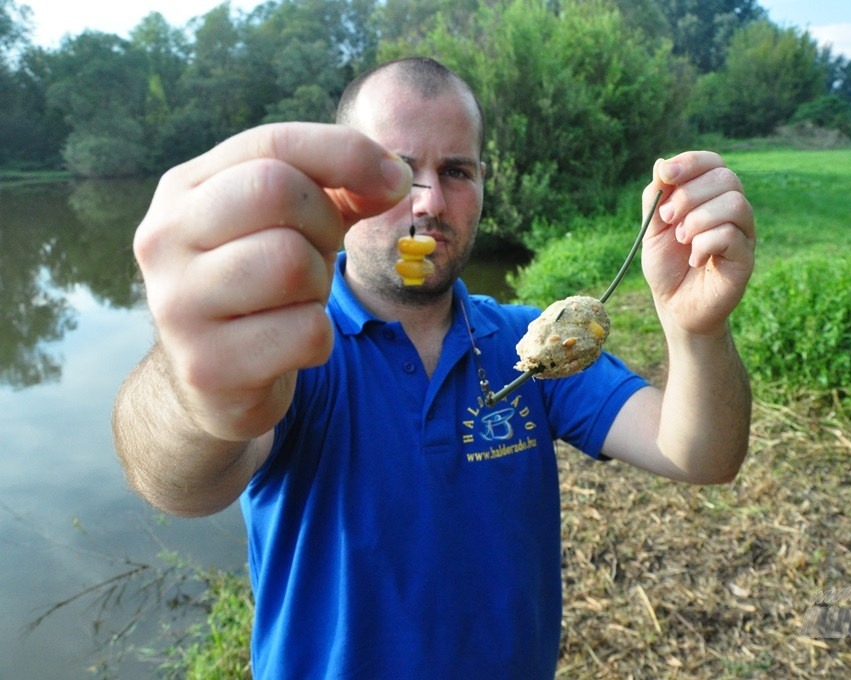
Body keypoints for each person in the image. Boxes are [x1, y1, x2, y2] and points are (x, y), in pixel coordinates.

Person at [112, 57, 756, 678]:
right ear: (335, 186)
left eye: (456, 171)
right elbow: (176, 484)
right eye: (394, 170)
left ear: (481, 186)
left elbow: (700, 454)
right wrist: (194, 385)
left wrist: (695, 327)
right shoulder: (293, 346)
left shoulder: (527, 342)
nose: (428, 203)